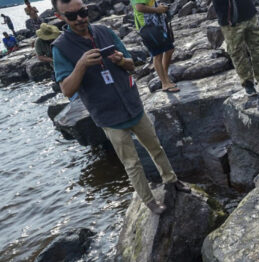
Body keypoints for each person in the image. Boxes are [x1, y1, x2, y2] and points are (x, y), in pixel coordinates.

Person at [51, 0, 190, 214]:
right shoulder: (61, 48)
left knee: (156, 147)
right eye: (72, 16)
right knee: (132, 163)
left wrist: (121, 61)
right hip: (108, 115)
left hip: (131, 103)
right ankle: (150, 203)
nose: (80, 18)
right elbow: (67, 90)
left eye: (83, 12)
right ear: (60, 17)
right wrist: (80, 65)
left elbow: (131, 64)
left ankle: (171, 180)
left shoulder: (104, 31)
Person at [212, 0, 259, 96]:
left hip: (249, 12)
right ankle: (247, 83)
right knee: (237, 51)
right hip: (229, 19)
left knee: (258, 45)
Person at [131, 0, 178, 92]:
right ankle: (165, 83)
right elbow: (139, 7)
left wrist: (158, 6)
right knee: (157, 54)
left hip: (157, 24)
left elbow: (149, 3)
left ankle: (165, 76)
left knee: (169, 49)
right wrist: (157, 9)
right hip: (148, 27)